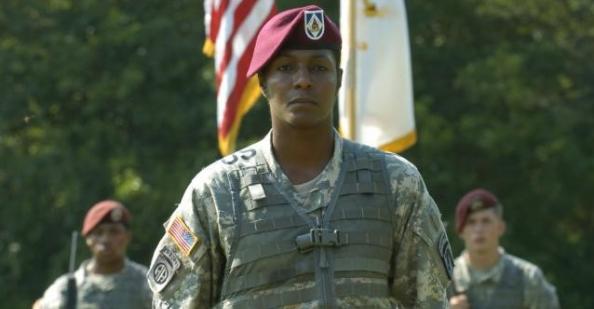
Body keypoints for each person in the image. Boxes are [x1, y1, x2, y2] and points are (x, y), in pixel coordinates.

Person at [147, 4, 453, 308]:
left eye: (319, 67)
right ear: (263, 82)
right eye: (285, 68)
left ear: (339, 78)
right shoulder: (215, 193)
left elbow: (429, 300)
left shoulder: (396, 183)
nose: (303, 80)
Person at [449, 188, 560, 309]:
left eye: (486, 221)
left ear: (501, 227)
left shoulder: (528, 278)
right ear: (460, 231)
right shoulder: (445, 281)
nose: (478, 229)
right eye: (471, 222)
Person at [39, 200, 151, 309]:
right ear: (88, 239)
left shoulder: (147, 283)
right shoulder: (67, 288)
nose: (106, 239)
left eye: (114, 232)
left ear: (127, 236)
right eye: (98, 232)